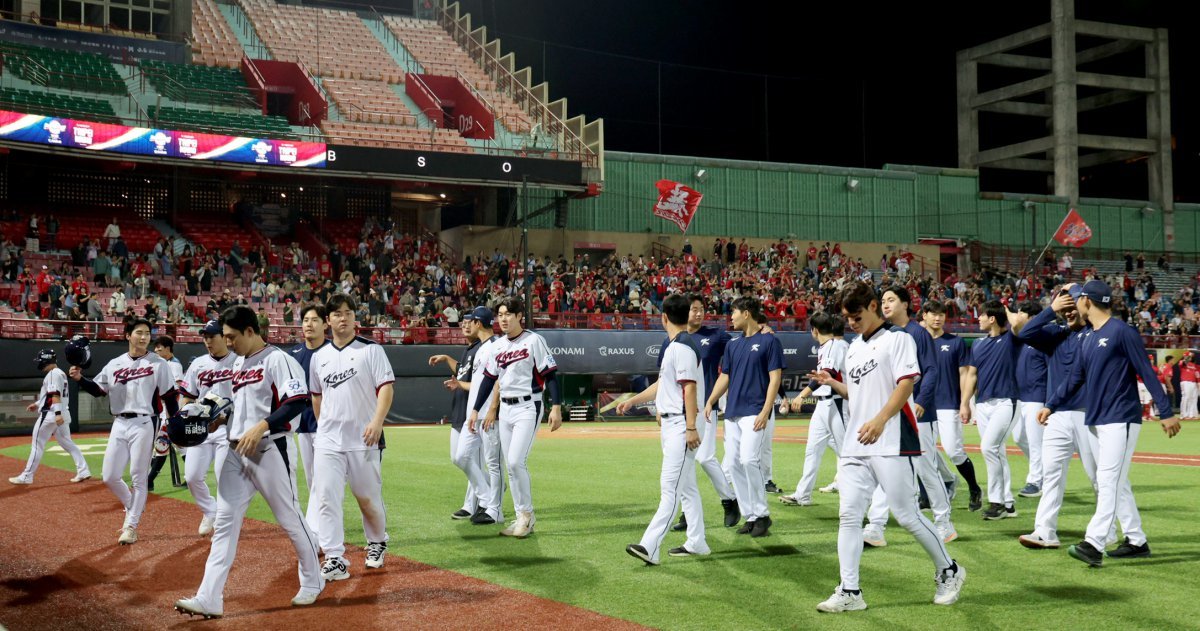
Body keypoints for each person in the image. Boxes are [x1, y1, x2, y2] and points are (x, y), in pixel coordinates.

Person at [812, 282, 964, 613]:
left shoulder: (899, 339)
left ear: (872, 306)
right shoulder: (852, 348)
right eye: (847, 318)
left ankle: (949, 570)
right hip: (855, 443)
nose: (851, 323)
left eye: (856, 316)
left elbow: (906, 384)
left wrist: (880, 420)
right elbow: (857, 394)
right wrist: (833, 383)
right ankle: (850, 590)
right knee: (849, 515)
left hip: (892, 439)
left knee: (907, 515)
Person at [174, 306, 322, 619]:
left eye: (231, 337)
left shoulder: (278, 359)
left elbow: (298, 401)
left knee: (289, 517)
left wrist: (263, 425)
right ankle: (209, 597)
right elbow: (237, 407)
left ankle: (313, 579)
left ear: (251, 331)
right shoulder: (239, 364)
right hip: (234, 450)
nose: (227, 343)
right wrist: (219, 420)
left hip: (269, 449)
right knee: (224, 524)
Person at [1041, 280, 1180, 567]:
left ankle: (1093, 542)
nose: (1074, 303)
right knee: (1117, 481)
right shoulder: (1090, 336)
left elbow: (1146, 371)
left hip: (1121, 418)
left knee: (1107, 480)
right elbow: (1075, 378)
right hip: (1096, 417)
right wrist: (1051, 404)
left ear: (1087, 302)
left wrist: (1165, 411)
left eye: (1077, 298)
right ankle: (1136, 540)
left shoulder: (1122, 332)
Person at [70, 319, 180, 545]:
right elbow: (98, 390)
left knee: (139, 477)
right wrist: (80, 379)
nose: (144, 337)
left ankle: (131, 526)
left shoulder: (159, 364)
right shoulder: (114, 364)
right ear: (128, 335)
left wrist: (175, 424)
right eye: (139, 332)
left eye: (147, 333)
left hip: (145, 422)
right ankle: (132, 507)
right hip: (119, 422)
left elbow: (169, 397)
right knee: (110, 476)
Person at [861, 286, 956, 545]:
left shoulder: (918, 333)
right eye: (882, 300)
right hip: (892, 413)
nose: (885, 304)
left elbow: (931, 371)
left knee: (926, 468)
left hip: (917, 413)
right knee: (885, 466)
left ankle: (943, 521)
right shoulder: (884, 335)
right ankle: (876, 526)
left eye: (891, 300)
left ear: (905, 303)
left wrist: (922, 402)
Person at [309, 294, 395, 581]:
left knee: (367, 498)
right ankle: (335, 557)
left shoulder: (371, 350)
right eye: (336, 313)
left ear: (354, 318)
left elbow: (386, 388)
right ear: (328, 320)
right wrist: (323, 427)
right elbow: (316, 396)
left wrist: (377, 421)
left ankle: (377, 541)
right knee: (326, 498)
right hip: (329, 441)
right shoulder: (319, 357)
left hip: (363, 438)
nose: (343, 318)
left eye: (348, 312)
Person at [1015, 284, 1106, 549]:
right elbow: (1025, 333)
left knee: (1098, 476)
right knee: (1052, 474)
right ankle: (1045, 532)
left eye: (1071, 304)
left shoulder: (1095, 333)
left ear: (1085, 304)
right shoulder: (1056, 334)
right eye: (1063, 305)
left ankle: (1106, 531)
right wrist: (1050, 310)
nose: (1067, 310)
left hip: (1089, 413)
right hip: (1056, 414)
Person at [622, 294, 709, 564]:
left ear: (664, 318)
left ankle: (650, 546)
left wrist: (692, 426)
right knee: (686, 488)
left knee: (669, 489)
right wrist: (633, 400)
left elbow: (690, 388)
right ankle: (697, 541)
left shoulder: (681, 347)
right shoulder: (675, 345)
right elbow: (663, 385)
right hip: (675, 423)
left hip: (682, 425)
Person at [468, 296, 563, 538]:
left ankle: (527, 516)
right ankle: (522, 516)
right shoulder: (497, 346)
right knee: (510, 465)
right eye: (500, 314)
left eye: (508, 314)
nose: (503, 318)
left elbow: (550, 375)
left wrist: (556, 407)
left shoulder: (534, 341)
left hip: (528, 405)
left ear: (520, 316)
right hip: (506, 409)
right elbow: (489, 379)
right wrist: (477, 409)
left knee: (515, 462)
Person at [703, 296, 783, 538]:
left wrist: (766, 410)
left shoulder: (770, 341)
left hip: (755, 411)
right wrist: (710, 400)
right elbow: (725, 377)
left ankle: (762, 515)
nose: (731, 317)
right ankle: (750, 516)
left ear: (746, 313)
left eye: (734, 312)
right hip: (733, 413)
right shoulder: (733, 345)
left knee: (749, 460)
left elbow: (775, 378)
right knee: (734, 464)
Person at [429, 307, 505, 525]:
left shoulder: (495, 346)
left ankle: (492, 507)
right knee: (461, 457)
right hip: (474, 412)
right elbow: (480, 380)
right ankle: (488, 499)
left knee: (492, 463)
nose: (466, 324)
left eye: (470, 321)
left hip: (488, 414)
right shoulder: (479, 348)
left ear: (478, 323)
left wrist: (491, 408)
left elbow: (497, 380)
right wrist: (473, 410)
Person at [960, 300, 1020, 521]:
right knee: (997, 452)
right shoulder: (978, 345)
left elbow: (1018, 322)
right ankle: (1009, 504)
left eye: (981, 315)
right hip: (983, 404)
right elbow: (972, 375)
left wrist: (1005, 309)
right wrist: (965, 403)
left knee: (988, 448)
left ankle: (997, 502)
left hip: (1007, 400)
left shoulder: (1012, 339)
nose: (978, 319)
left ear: (992, 318)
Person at [921, 301, 983, 512]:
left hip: (948, 403)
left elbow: (965, 374)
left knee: (954, 450)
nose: (937, 318)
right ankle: (929, 494)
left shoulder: (955, 343)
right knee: (922, 452)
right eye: (933, 314)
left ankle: (974, 488)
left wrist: (965, 403)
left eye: (941, 315)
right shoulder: (916, 342)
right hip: (923, 404)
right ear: (925, 316)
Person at [780, 312, 847, 507]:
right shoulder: (826, 346)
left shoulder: (836, 345)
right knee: (812, 449)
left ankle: (861, 496)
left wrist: (802, 394)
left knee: (847, 453)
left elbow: (827, 374)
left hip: (837, 402)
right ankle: (803, 495)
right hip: (823, 404)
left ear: (814, 330)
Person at [177, 320, 237, 537]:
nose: (208, 341)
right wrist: (182, 416)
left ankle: (223, 524)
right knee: (192, 476)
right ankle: (210, 510)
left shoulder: (237, 360)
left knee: (224, 477)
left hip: (227, 427)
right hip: (201, 427)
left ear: (224, 337)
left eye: (212, 336)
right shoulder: (198, 364)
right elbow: (187, 395)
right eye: (205, 337)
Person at [9, 349, 91, 485]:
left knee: (37, 445)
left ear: (46, 360)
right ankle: (83, 470)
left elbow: (55, 395)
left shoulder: (53, 374)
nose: (39, 363)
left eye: (41, 360)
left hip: (52, 414)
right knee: (67, 443)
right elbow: (52, 394)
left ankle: (27, 476)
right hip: (63, 412)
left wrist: (57, 414)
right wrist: (37, 404)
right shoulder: (60, 373)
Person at [291, 303, 330, 538]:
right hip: (303, 425)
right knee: (312, 479)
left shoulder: (333, 351)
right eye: (306, 320)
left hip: (328, 425)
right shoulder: (293, 354)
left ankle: (312, 528)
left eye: (315, 320)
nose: (309, 324)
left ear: (325, 324)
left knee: (322, 480)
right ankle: (322, 521)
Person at [1008, 301, 1049, 499]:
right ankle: (1043, 471)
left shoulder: (1042, 336)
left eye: (1021, 313)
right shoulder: (1021, 337)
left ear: (1032, 318)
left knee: (1035, 441)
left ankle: (1036, 480)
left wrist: (1006, 311)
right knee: (1019, 438)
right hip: (1020, 395)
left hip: (1037, 394)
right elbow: (1014, 326)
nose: (1018, 316)